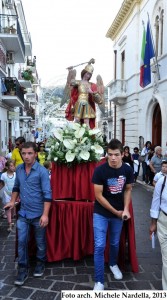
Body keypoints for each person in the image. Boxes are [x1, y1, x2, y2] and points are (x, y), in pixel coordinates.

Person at [5, 142, 52, 286]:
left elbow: (47, 194)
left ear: (35, 154)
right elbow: (17, 187)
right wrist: (12, 201)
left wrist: (45, 215)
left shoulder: (42, 171)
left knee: (40, 242)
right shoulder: (19, 169)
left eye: (30, 153)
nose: (26, 156)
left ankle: (40, 263)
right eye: (24, 153)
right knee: (22, 242)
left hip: (38, 214)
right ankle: (22, 269)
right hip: (24, 214)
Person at [92, 139, 134, 290]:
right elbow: (98, 196)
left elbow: (128, 189)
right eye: (110, 155)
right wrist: (115, 211)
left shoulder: (128, 170)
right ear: (107, 155)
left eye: (116, 154)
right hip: (101, 212)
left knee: (115, 242)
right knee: (99, 245)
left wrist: (126, 209)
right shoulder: (100, 170)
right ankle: (99, 281)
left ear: (123, 154)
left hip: (119, 212)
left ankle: (113, 263)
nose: (113, 158)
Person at [65, 59, 103, 129]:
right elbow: (70, 82)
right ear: (84, 72)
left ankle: (87, 136)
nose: (87, 76)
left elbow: (100, 100)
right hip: (79, 102)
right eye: (87, 73)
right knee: (77, 119)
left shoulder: (92, 85)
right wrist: (70, 72)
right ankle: (74, 135)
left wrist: (91, 92)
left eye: (89, 74)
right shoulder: (78, 82)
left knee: (86, 121)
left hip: (86, 103)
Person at [150, 175, 167, 289]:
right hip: (164, 221)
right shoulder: (162, 181)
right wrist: (153, 223)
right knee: (166, 259)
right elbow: (156, 202)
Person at [1, 160, 16, 232]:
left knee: (12, 209)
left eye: (13, 165)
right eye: (11, 166)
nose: (13, 167)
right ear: (7, 167)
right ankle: (9, 223)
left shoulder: (16, 174)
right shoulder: (3, 175)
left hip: (14, 194)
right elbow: (1, 184)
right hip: (6, 194)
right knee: (8, 209)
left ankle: (11, 220)